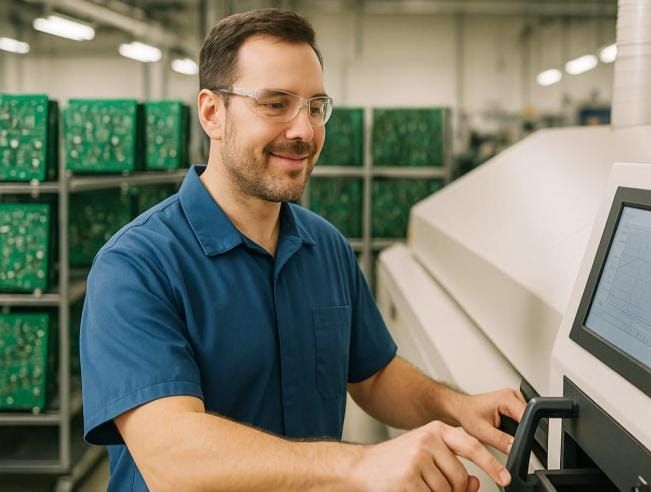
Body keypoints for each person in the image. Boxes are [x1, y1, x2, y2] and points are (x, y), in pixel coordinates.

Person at [80, 8, 527, 491]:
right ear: (212, 113)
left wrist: (455, 406)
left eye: (315, 107)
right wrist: (359, 465)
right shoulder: (136, 266)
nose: (303, 131)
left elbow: (373, 376)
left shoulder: (325, 246)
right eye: (275, 104)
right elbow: (172, 459)